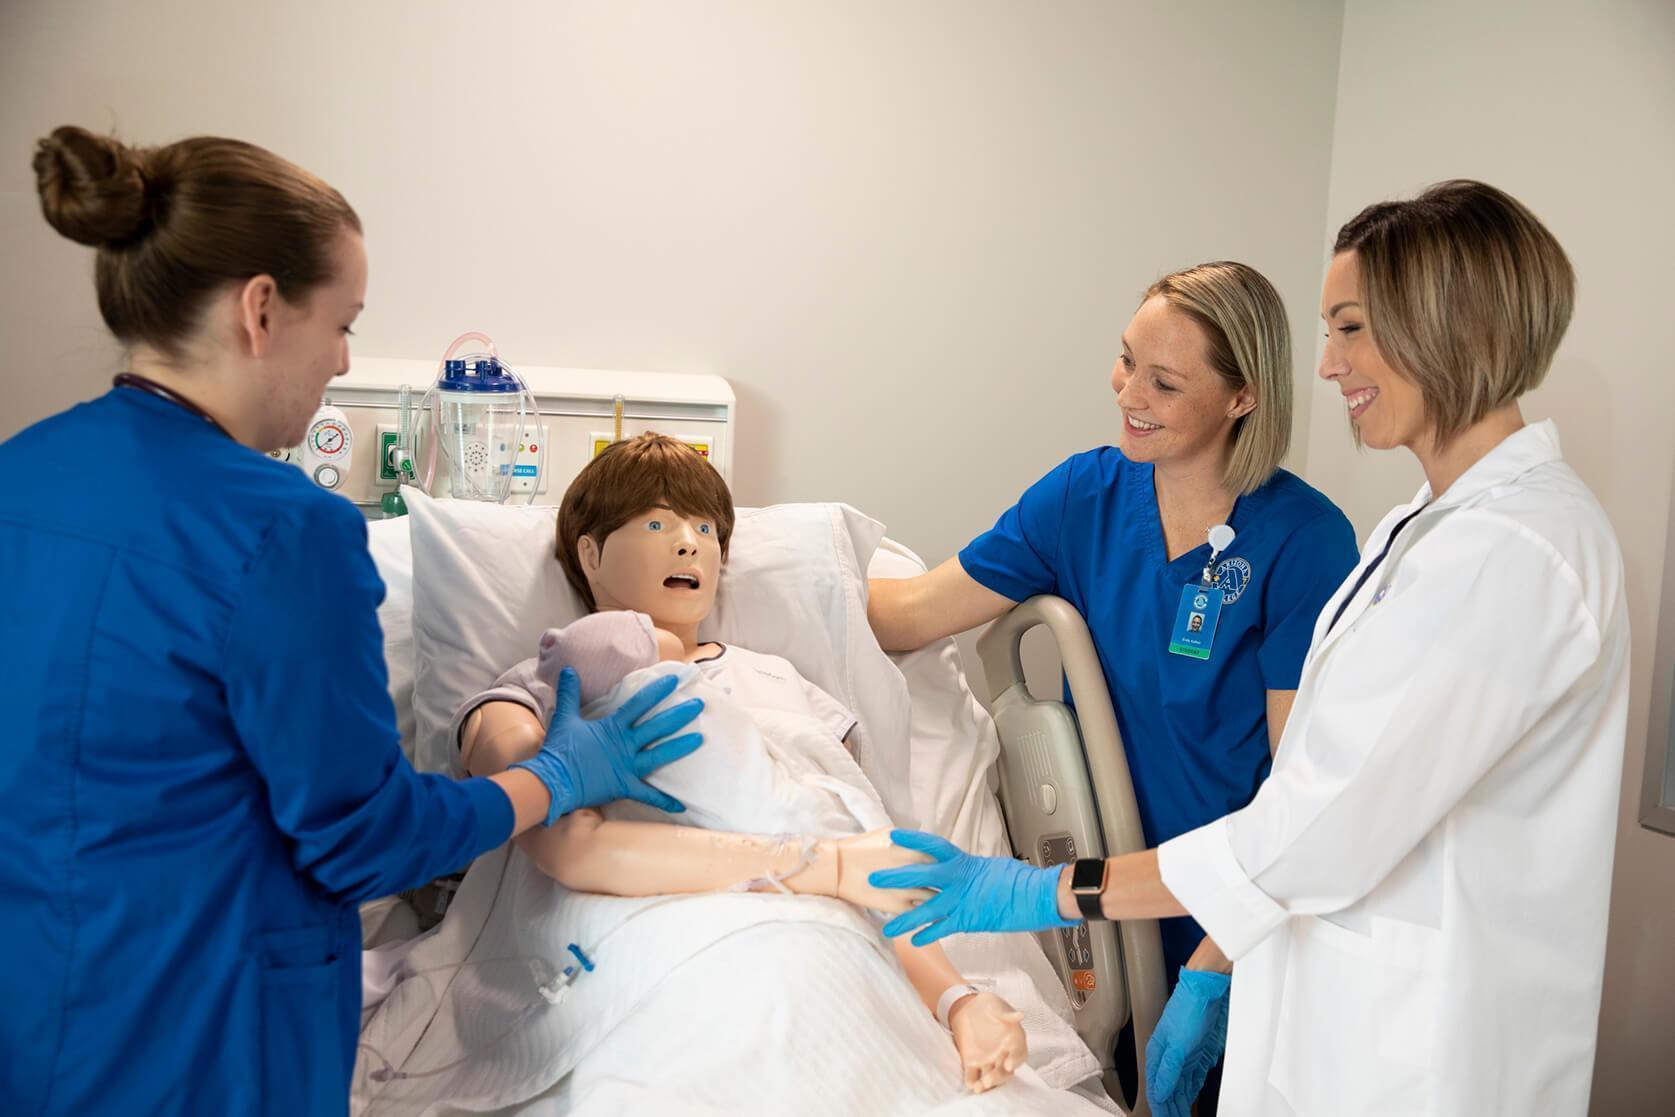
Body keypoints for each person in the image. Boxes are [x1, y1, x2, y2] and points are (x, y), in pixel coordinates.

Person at [870, 180, 1629, 1117]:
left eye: (1349, 328)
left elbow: (1304, 825)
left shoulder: (1508, 555)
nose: (1326, 365)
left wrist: (1043, 892)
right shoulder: (1424, 531)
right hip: (1335, 1007)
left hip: (1419, 1046)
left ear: (1439, 325)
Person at [0, 127, 704, 1117]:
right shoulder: (288, 531)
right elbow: (364, 840)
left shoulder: (18, 476)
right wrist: (549, 780)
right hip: (204, 1044)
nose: (340, 360)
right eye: (344, 324)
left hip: (36, 1021)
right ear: (259, 308)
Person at [867, 260, 1358, 1110]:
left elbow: (1301, 801)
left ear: (1241, 397)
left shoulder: (1304, 541)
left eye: (1163, 381)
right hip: (1114, 909)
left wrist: (1214, 963)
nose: (1126, 389)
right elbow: (907, 613)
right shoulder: (1084, 496)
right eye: (1125, 358)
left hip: (1248, 924)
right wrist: (743, 563)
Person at [452, 434, 1031, 1094]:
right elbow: (532, 811)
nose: (689, 542)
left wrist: (958, 999)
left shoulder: (785, 686)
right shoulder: (539, 686)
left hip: (817, 928)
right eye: (657, 521)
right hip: (633, 928)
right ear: (590, 552)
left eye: (704, 526)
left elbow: (860, 851)